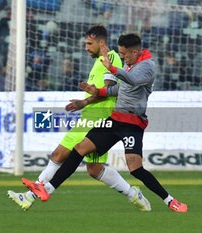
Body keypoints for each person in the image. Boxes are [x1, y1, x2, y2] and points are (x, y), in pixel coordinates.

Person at [22, 33, 188, 213]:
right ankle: (47, 190)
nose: (122, 57)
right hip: (115, 119)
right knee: (80, 148)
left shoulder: (147, 67)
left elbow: (132, 80)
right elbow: (120, 88)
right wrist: (98, 91)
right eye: (121, 53)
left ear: (135, 51)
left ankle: (170, 200)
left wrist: (113, 69)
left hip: (132, 124)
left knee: (135, 168)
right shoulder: (130, 63)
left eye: (124, 54)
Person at [8, 25, 151, 212]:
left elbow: (108, 90)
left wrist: (85, 102)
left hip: (99, 118)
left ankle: (31, 196)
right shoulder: (99, 60)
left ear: (101, 42)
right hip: (93, 116)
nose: (86, 47)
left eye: (89, 43)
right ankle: (134, 195)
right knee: (94, 169)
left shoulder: (112, 58)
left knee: (59, 154)